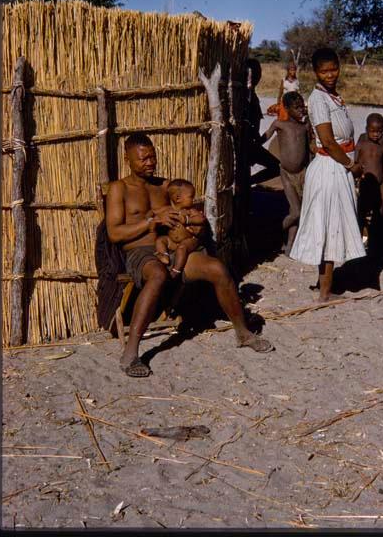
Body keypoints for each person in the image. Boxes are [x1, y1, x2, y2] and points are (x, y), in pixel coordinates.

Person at [105, 132, 273, 377]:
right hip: (141, 253)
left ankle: (244, 333)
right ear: (127, 159)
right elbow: (114, 233)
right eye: (143, 159)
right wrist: (152, 220)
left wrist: (191, 225)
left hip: (175, 249)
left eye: (152, 157)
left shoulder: (166, 187)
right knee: (158, 275)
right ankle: (131, 352)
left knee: (217, 269)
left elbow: (190, 216)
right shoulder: (119, 189)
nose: (150, 163)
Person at [289, 47, 365, 302]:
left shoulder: (332, 97)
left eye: (333, 69)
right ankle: (325, 293)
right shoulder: (319, 100)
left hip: (336, 166)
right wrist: (351, 166)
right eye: (324, 71)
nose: (330, 74)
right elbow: (328, 141)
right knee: (329, 227)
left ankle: (325, 287)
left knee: (332, 226)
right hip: (331, 167)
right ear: (316, 72)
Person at [260, 91, 314, 255]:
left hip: (303, 173)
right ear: (287, 108)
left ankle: (290, 245)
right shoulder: (279, 125)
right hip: (287, 174)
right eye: (297, 108)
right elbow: (264, 138)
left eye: (302, 107)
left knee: (299, 212)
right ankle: (269, 234)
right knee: (296, 211)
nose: (301, 110)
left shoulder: (305, 127)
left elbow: (310, 150)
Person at [154, 179, 206, 279]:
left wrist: (187, 220)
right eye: (191, 197)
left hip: (189, 241)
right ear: (178, 198)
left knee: (182, 248)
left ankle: (176, 270)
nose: (193, 199)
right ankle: (164, 255)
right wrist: (151, 217)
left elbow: (201, 219)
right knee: (160, 240)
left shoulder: (190, 211)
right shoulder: (168, 210)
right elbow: (153, 212)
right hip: (172, 242)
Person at [245, 58, 281, 185]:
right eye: (253, 73)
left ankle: (247, 184)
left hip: (252, 144)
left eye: (258, 73)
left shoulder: (252, 95)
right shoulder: (245, 96)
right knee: (276, 167)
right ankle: (247, 184)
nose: (256, 77)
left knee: (276, 167)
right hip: (245, 145)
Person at [354, 113, 383, 243]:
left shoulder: (382, 148)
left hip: (377, 186)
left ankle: (372, 242)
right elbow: (355, 162)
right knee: (361, 214)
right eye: (372, 131)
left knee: (376, 215)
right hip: (364, 184)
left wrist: (382, 186)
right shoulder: (362, 145)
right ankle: (357, 242)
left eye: (379, 131)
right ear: (366, 129)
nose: (376, 134)